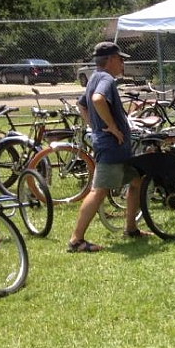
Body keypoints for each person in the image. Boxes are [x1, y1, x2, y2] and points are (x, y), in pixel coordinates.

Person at [67, 41, 148, 253]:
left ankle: (131, 228)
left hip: (116, 148)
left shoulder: (93, 77)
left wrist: (94, 125)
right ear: (111, 59)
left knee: (137, 181)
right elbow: (96, 99)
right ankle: (76, 241)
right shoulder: (105, 78)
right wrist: (110, 126)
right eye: (121, 59)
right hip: (111, 147)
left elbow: (82, 104)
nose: (122, 64)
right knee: (99, 192)